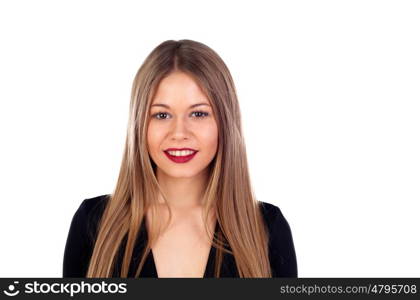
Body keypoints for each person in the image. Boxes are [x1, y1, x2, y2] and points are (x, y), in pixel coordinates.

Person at [63, 39, 297, 278]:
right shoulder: (93, 224)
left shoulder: (267, 229)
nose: (179, 133)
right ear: (140, 124)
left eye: (198, 113)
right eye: (162, 114)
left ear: (224, 123)